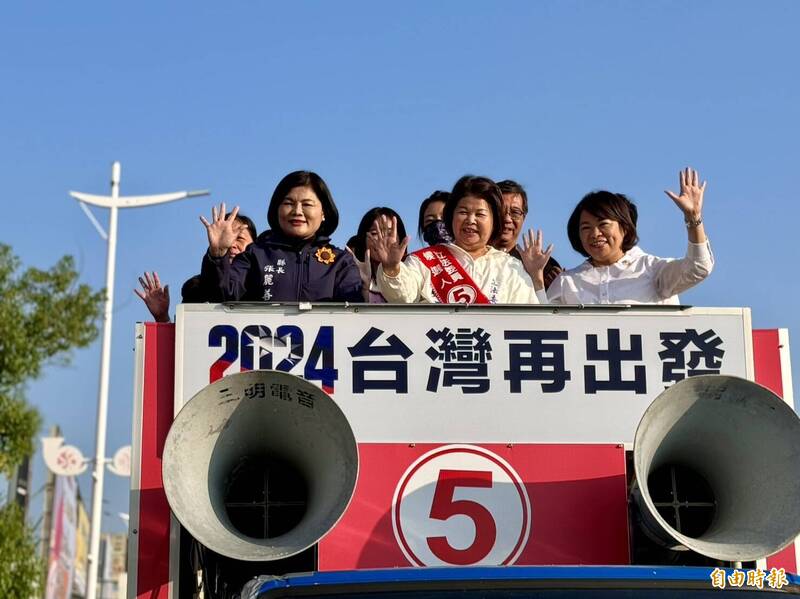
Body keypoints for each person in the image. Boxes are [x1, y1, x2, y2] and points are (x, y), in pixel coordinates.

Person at [372, 175, 551, 304]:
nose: (470, 220)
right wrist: (391, 268)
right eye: (463, 212)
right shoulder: (424, 261)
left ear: (494, 221)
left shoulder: (511, 268)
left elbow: (528, 321)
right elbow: (401, 297)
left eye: (480, 214)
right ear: (451, 217)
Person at [545, 167, 713, 305]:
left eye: (603, 224)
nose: (595, 234)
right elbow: (541, 325)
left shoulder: (652, 269)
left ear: (624, 228)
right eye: (585, 228)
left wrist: (693, 218)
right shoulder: (566, 282)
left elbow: (698, 267)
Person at [200, 170, 363, 302]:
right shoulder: (255, 255)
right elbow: (221, 297)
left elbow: (353, 314)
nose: (297, 212)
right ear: (276, 210)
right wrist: (218, 255)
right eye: (288, 203)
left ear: (324, 213)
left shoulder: (341, 262)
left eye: (307, 204)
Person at [136, 213, 257, 321]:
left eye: (239, 238)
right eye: (225, 236)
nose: (231, 244)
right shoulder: (196, 288)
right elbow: (182, 340)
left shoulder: (265, 285)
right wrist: (162, 317)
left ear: (255, 247)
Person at [494, 179, 562, 289]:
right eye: (500, 211)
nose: (507, 219)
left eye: (515, 212)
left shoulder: (544, 266)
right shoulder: (470, 258)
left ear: (523, 218)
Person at [346, 207, 408, 303]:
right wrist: (364, 287)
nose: (382, 239)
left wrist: (392, 269)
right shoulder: (351, 276)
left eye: (390, 233)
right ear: (363, 239)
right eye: (374, 233)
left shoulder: (414, 271)